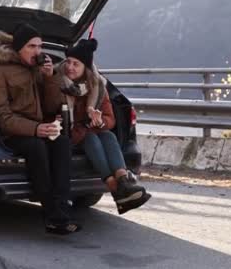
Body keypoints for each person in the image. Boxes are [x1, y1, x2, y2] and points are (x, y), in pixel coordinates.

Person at [0, 23, 81, 235]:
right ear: (17, 48)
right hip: (11, 134)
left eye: (39, 46)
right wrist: (36, 129)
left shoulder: (36, 72)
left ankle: (63, 209)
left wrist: (50, 78)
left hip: (37, 130)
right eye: (31, 46)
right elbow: (2, 119)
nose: (38, 51)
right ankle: (52, 214)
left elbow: (51, 107)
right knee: (36, 146)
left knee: (62, 141)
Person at [43, 38, 151, 215]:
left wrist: (99, 121)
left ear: (85, 67)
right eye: (68, 62)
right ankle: (117, 189)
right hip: (67, 133)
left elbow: (110, 119)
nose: (69, 67)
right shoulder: (57, 79)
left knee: (108, 135)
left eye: (75, 64)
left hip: (89, 132)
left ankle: (122, 181)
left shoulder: (98, 85)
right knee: (92, 137)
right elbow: (48, 107)